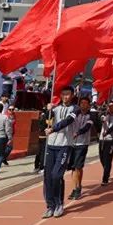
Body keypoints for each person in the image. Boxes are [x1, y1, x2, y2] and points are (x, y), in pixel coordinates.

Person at [42, 86, 78, 218]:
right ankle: (50, 205)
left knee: (57, 175)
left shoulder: (75, 109)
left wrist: (54, 129)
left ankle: (59, 204)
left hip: (64, 145)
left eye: (68, 94)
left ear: (72, 95)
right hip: (51, 145)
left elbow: (67, 121)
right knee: (48, 177)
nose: (65, 97)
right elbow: (46, 121)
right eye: (63, 94)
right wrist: (47, 110)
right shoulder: (55, 108)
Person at [52, 97, 93, 201]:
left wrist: (78, 133)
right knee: (74, 168)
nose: (83, 105)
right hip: (71, 143)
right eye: (81, 103)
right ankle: (78, 186)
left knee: (77, 167)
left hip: (82, 143)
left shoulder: (91, 115)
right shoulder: (74, 114)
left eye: (85, 103)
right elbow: (66, 120)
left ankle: (76, 189)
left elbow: (87, 127)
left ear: (89, 105)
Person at [99, 101, 113, 186]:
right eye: (109, 106)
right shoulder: (104, 114)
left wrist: (107, 132)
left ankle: (105, 178)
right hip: (102, 139)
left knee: (108, 158)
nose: (111, 108)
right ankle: (106, 170)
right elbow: (97, 120)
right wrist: (101, 118)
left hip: (111, 140)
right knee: (102, 158)